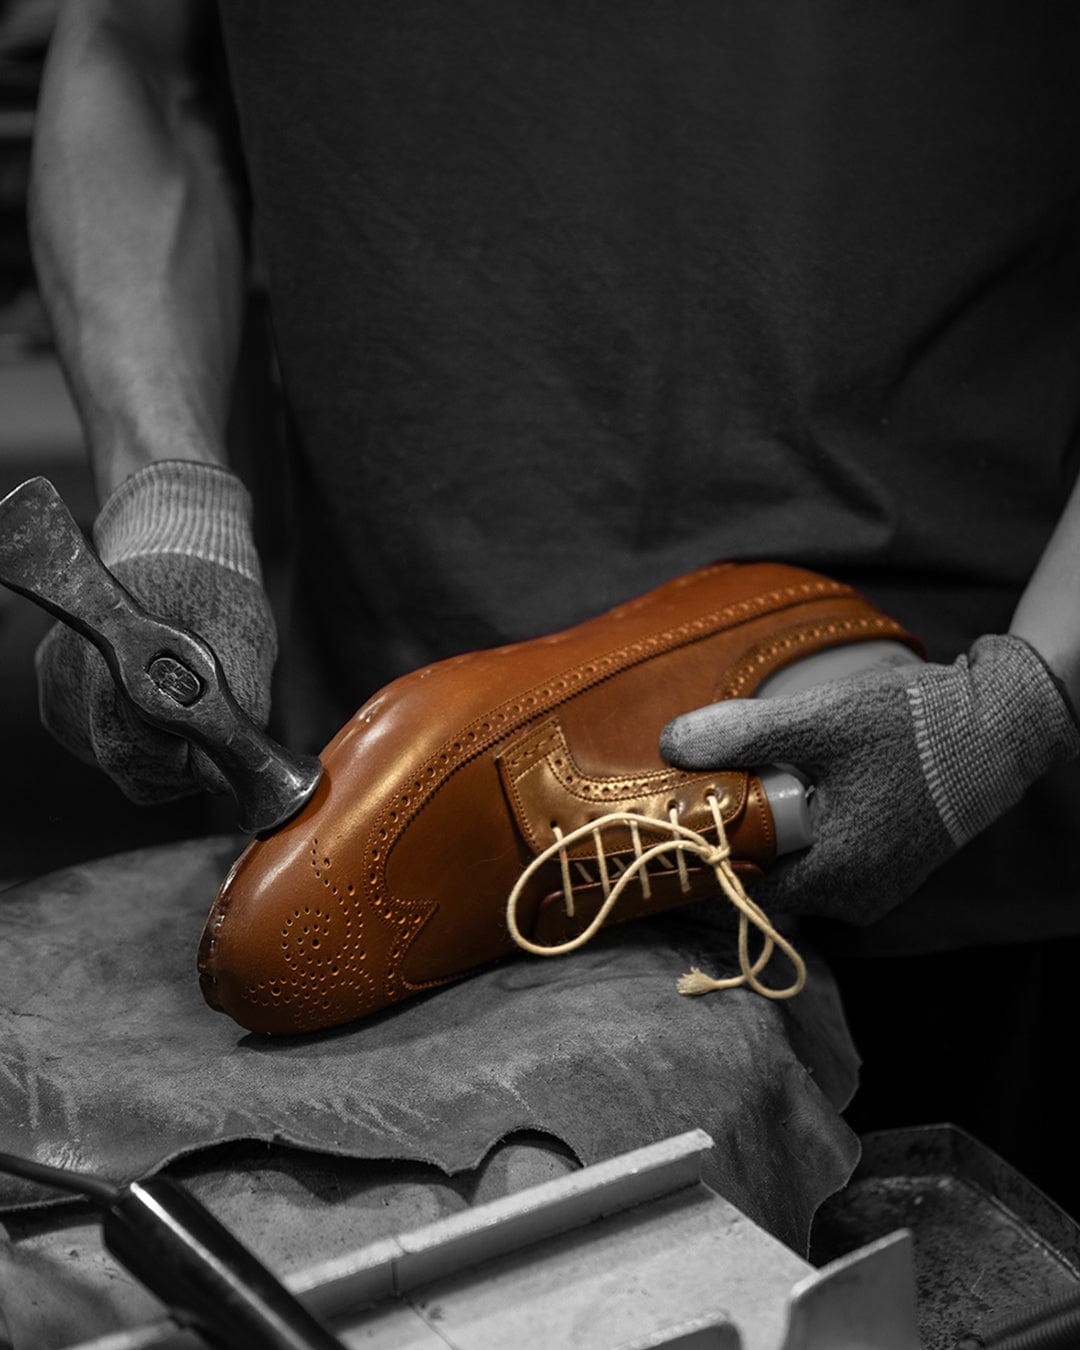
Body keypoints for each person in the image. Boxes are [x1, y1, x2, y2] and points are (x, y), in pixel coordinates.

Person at [26, 0, 1080, 1216]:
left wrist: (1027, 691)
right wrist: (170, 490)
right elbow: (128, 54)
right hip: (382, 836)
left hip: (961, 797)